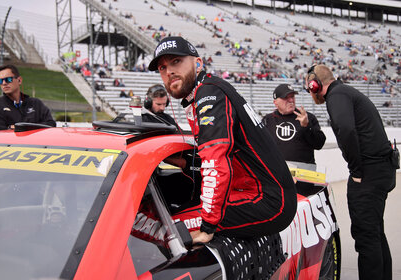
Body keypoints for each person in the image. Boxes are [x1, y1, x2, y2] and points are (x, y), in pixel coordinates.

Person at [148, 36, 297, 244]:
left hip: (268, 200)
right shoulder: (209, 89)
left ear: (198, 63)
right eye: (162, 68)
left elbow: (214, 162)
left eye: (176, 62)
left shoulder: (209, 93)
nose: (169, 71)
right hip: (263, 192)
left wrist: (208, 226)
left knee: (167, 225)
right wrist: (180, 160)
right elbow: (218, 157)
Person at [305, 64, 397, 280]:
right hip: (381, 169)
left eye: (309, 89)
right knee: (375, 234)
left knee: (366, 237)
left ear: (314, 85)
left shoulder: (336, 96)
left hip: (369, 173)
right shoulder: (346, 92)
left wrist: (356, 169)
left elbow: (346, 129)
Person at [262, 84, 326, 164]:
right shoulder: (267, 120)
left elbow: (319, 144)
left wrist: (306, 126)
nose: (291, 100)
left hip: (304, 173)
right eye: (286, 98)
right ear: (275, 102)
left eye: (292, 97)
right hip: (278, 172)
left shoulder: (307, 117)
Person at [0, 64, 56, 130]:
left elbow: (51, 124)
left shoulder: (36, 103)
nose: (4, 83)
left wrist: (17, 127)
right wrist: (34, 126)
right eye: (0, 81)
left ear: (19, 80)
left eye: (8, 79)